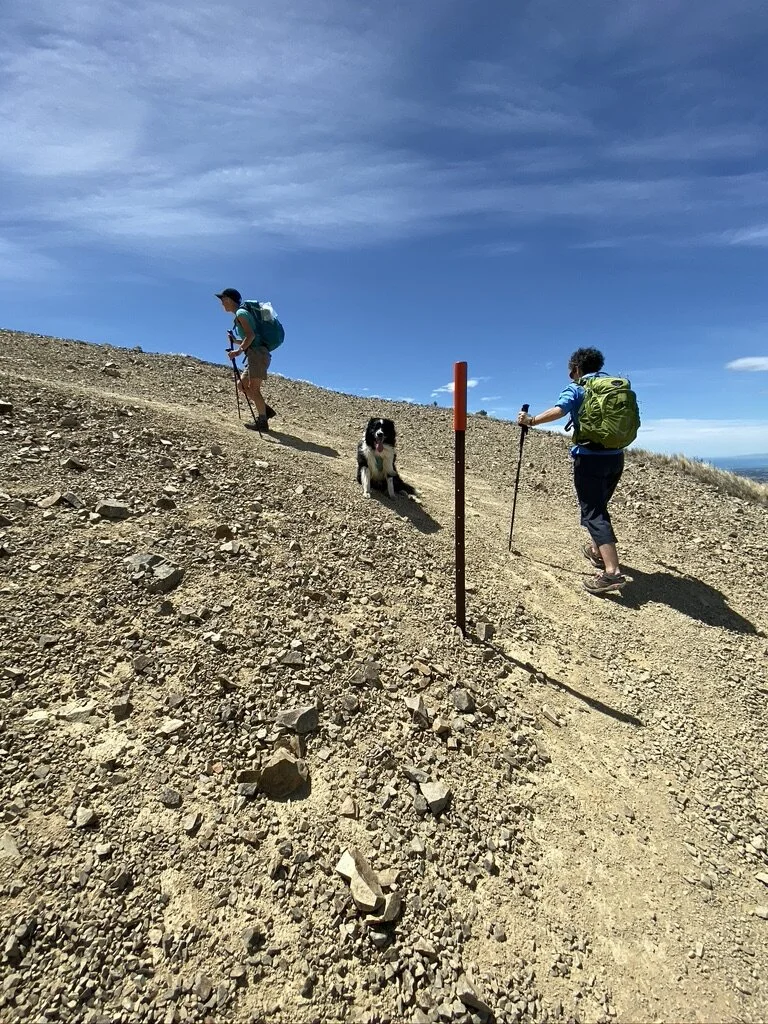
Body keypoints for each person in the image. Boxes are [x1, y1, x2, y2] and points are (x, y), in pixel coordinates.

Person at [517, 347, 627, 595]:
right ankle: (597, 551)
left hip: (590, 459)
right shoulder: (613, 386)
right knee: (599, 506)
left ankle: (612, 573)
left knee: (594, 512)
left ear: (576, 368)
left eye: (570, 371)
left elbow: (560, 410)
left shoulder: (578, 388)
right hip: (616, 457)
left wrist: (531, 421)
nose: (570, 375)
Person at [216, 288, 273, 432]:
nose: (222, 303)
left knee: (254, 388)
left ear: (229, 299)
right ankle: (264, 410)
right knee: (241, 385)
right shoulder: (241, 314)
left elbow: (251, 336)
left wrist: (238, 351)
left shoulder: (241, 313)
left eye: (223, 300)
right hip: (255, 354)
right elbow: (251, 338)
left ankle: (262, 422)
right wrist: (235, 341)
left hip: (258, 354)